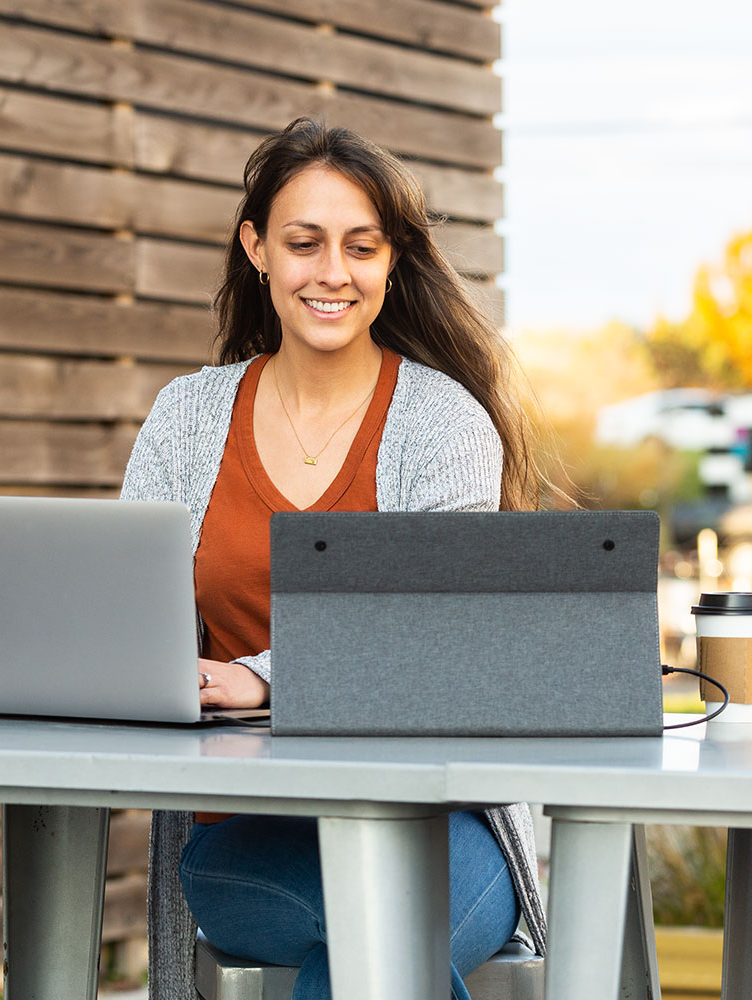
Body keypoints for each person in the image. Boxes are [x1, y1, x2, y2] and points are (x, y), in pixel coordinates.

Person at [121, 117, 547, 1000]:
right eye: (304, 243)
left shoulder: (443, 423)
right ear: (257, 249)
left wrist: (268, 676)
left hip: (440, 821)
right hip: (245, 832)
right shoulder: (187, 418)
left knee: (375, 946)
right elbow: (125, 612)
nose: (333, 273)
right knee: (382, 946)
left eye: (361, 247)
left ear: (390, 262)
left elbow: (439, 635)